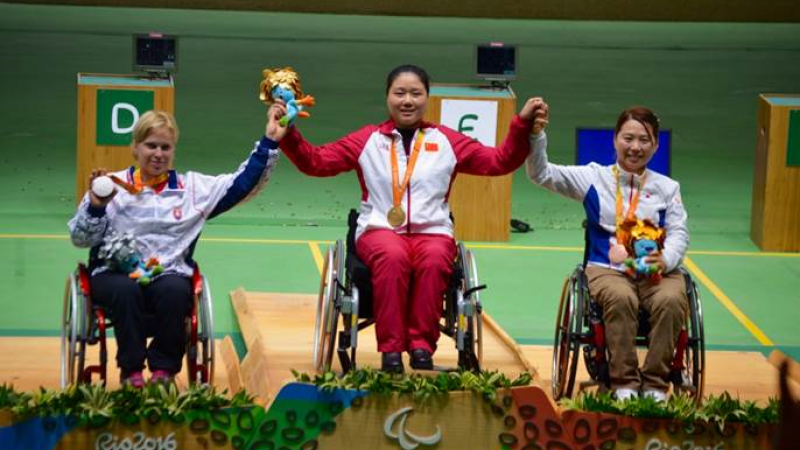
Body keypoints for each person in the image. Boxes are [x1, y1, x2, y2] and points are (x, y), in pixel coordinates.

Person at [268, 64, 548, 373]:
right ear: (387, 97)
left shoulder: (446, 141)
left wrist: (521, 125)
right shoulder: (367, 140)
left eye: (416, 93)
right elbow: (316, 162)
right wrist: (289, 134)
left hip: (434, 232)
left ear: (427, 98)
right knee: (393, 255)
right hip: (379, 231)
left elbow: (499, 161)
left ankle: (420, 348)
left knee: (434, 260)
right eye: (399, 93)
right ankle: (390, 351)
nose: (408, 100)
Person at [69, 109, 280, 387]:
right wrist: (96, 206)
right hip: (114, 275)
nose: (158, 153)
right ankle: (130, 371)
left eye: (165, 147)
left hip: (166, 273)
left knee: (176, 291)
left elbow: (241, 184)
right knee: (126, 290)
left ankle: (163, 371)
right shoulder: (112, 187)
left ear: (173, 151)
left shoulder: (191, 190)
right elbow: (81, 238)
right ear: (134, 147)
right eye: (150, 145)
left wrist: (270, 141)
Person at [526, 105, 689, 401]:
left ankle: (654, 385)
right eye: (628, 138)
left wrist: (665, 260)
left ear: (655, 145)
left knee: (672, 299)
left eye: (644, 140)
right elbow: (541, 174)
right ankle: (623, 382)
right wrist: (537, 136)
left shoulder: (667, 188)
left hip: (657, 270)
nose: (635, 147)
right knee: (620, 296)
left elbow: (679, 233)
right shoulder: (593, 177)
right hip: (607, 268)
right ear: (615, 139)